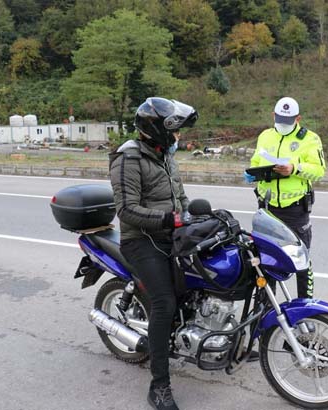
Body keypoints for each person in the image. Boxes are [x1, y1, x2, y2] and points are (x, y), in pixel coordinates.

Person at [109, 97, 198, 410]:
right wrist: (168, 220)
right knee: (164, 302)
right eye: (175, 130)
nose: (179, 136)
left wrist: (195, 216)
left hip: (169, 234)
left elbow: (181, 198)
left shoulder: (165, 155)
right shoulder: (128, 158)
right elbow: (127, 210)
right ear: (158, 129)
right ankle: (159, 385)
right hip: (140, 240)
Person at [246, 97, 326, 299]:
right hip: (267, 207)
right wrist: (253, 173)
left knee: (301, 260)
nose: (283, 124)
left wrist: (294, 168)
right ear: (273, 115)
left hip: (295, 209)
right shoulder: (265, 136)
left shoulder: (310, 139)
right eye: (280, 119)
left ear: (298, 118)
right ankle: (265, 307)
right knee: (266, 261)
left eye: (288, 120)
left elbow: (319, 171)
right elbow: (255, 161)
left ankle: (305, 306)